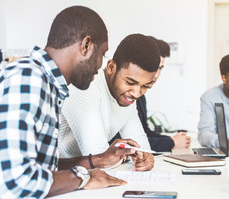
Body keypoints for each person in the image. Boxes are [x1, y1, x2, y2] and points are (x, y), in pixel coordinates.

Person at [0, 6, 138, 199]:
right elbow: (15, 182)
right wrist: (82, 178)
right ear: (86, 45)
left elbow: (41, 166)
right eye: (102, 54)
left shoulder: (46, 83)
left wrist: (99, 160)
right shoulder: (28, 78)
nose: (100, 66)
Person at [58, 34, 159, 170]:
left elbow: (141, 144)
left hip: (82, 176)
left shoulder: (126, 95)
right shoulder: (85, 83)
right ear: (111, 67)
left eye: (145, 86)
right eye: (130, 82)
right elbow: (98, 156)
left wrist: (145, 159)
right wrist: (120, 156)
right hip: (54, 177)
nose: (136, 93)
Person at [111, 37, 191, 152]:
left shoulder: (140, 95)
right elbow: (123, 139)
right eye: (153, 68)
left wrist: (172, 139)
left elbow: (142, 132)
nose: (156, 74)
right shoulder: (124, 94)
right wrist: (171, 142)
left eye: (160, 68)